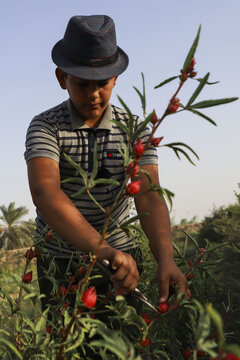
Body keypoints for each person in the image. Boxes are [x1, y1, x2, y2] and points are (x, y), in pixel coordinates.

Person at [24, 14, 190, 321]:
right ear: (62, 78)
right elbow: (45, 192)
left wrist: (166, 258)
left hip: (123, 264)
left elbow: (149, 197)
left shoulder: (135, 131)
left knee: (124, 346)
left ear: (115, 78)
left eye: (102, 83)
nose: (94, 94)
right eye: (82, 83)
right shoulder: (45, 126)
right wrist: (103, 251)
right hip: (62, 262)